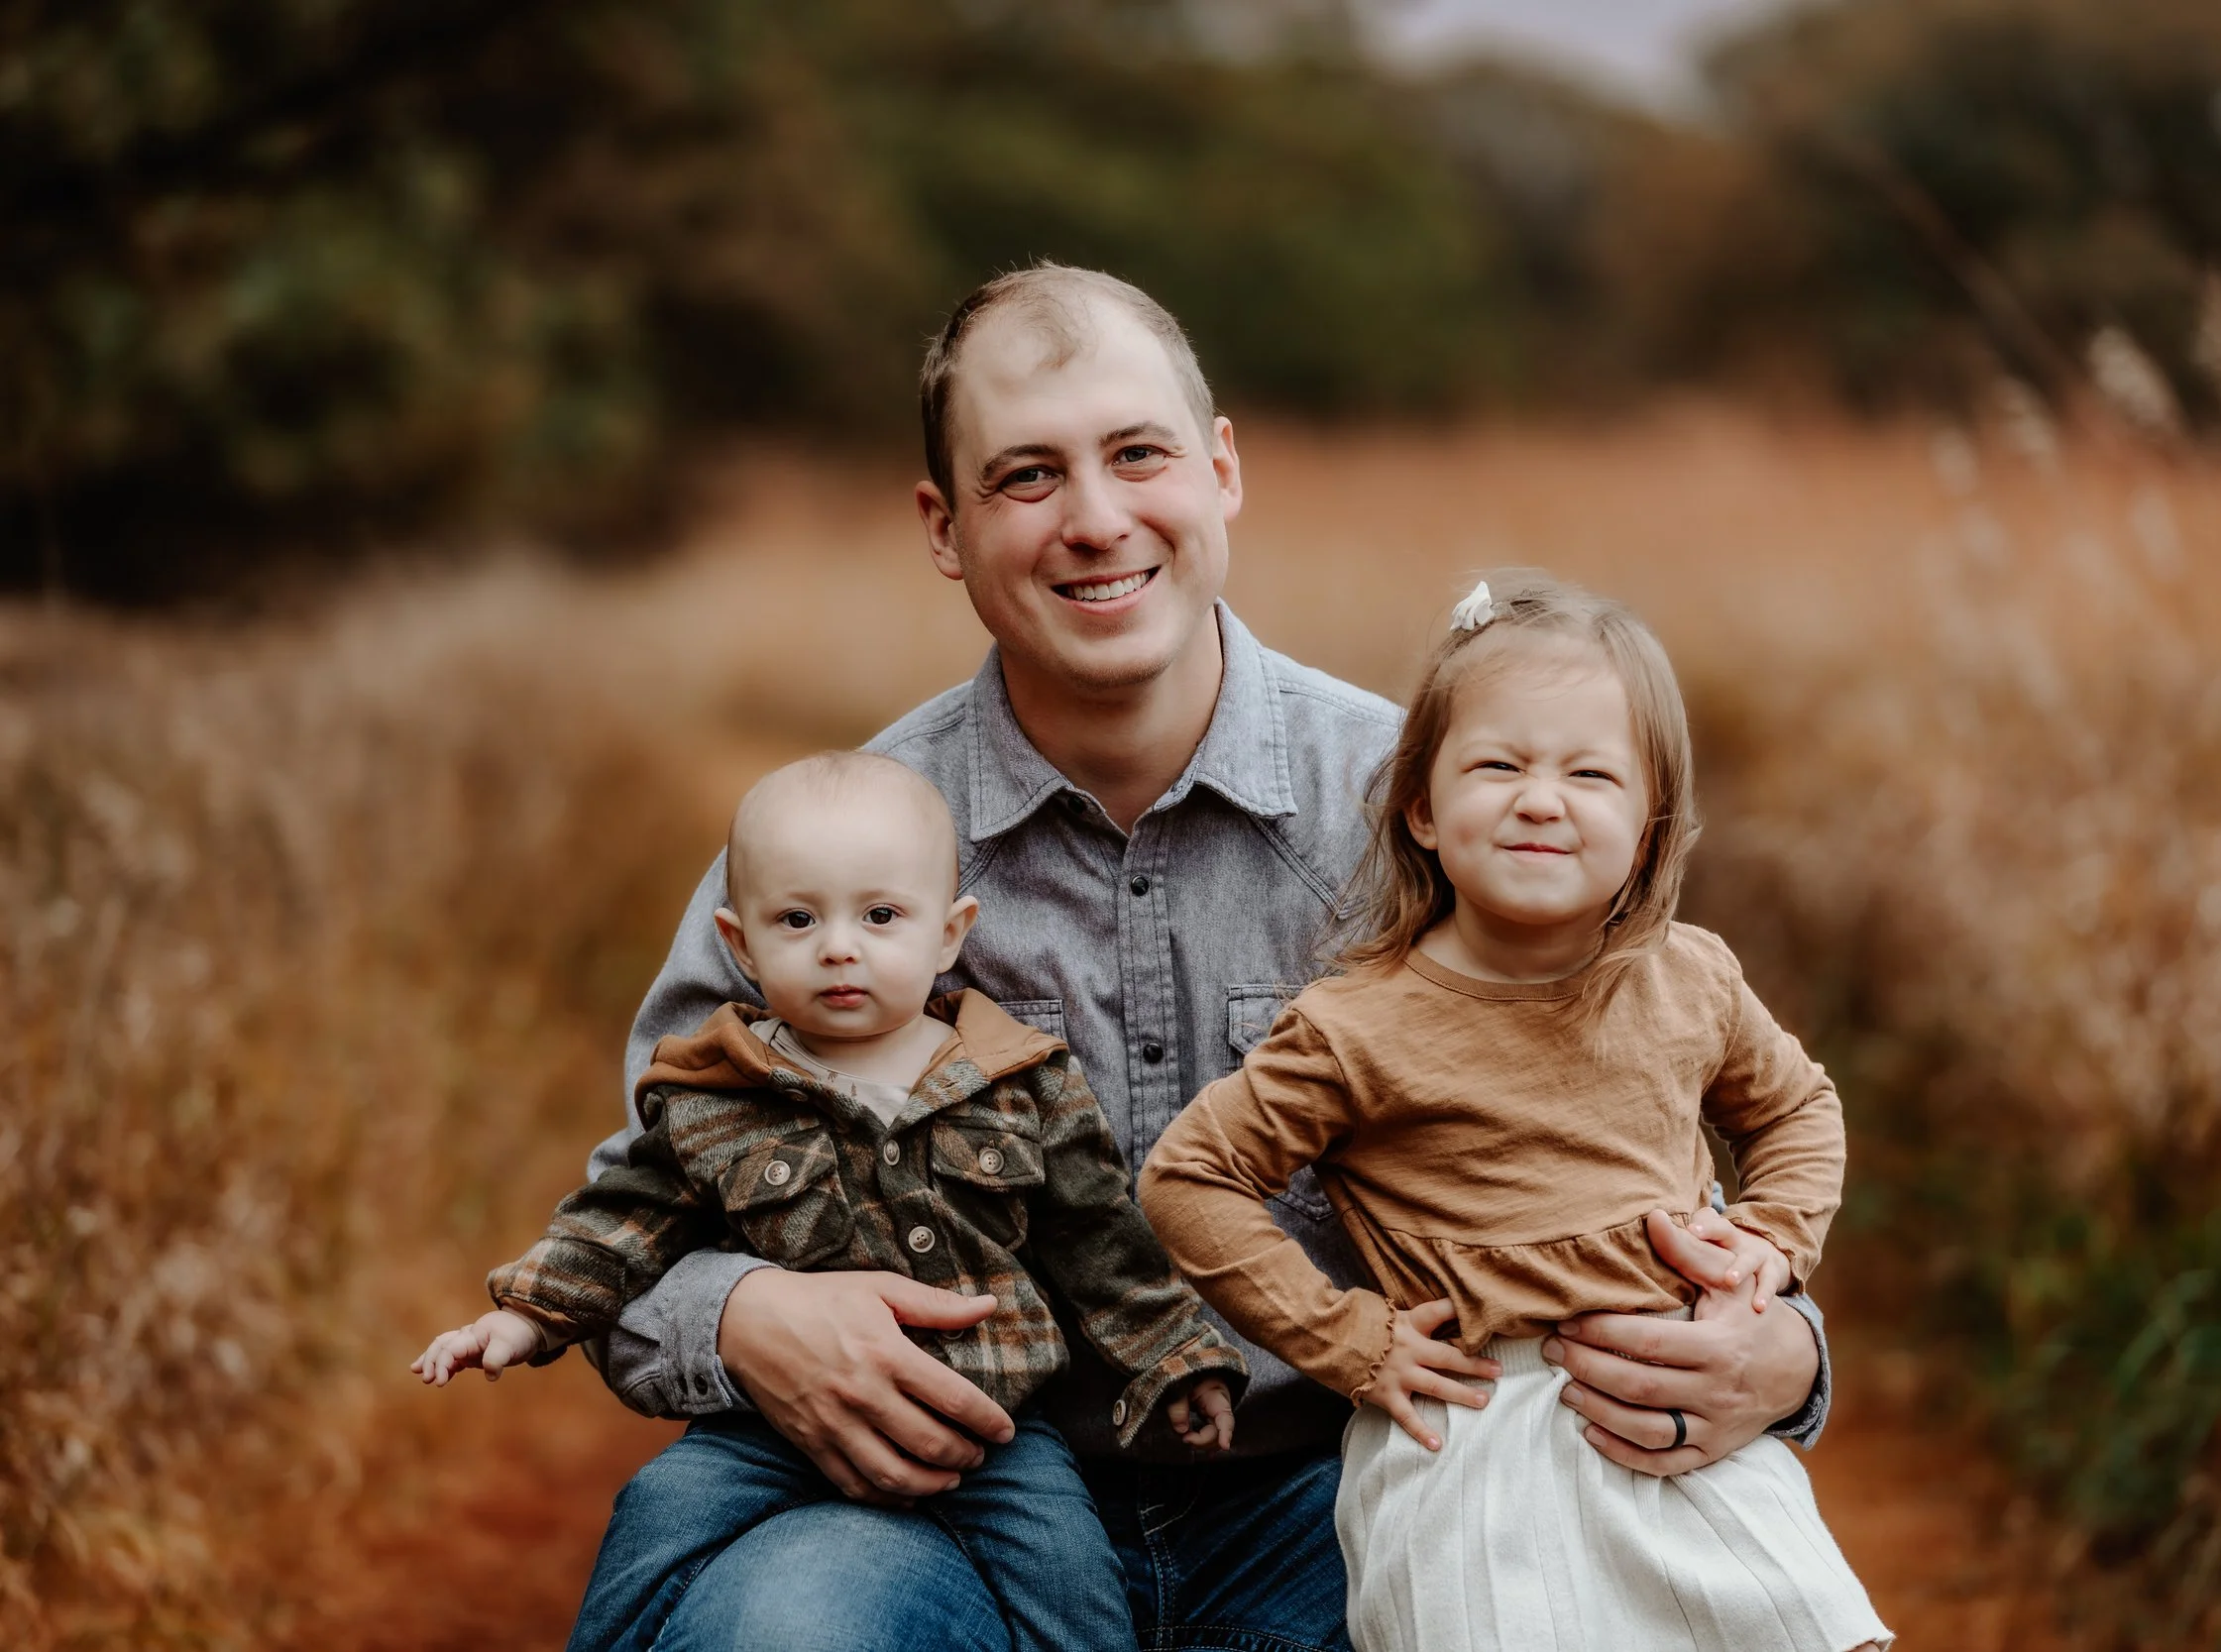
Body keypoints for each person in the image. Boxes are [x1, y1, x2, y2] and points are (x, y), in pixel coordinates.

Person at [588, 263, 1834, 1649]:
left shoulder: (1434, 808)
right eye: (1026, 477)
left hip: (1352, 1481)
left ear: (1222, 467)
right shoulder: (841, 852)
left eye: (1138, 454)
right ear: (943, 526)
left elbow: (1640, 1119)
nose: (1097, 518)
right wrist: (747, 1307)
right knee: (784, 1628)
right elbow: (639, 1216)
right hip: (949, 1496)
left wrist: (1783, 1352)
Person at [1141, 576, 1889, 1652]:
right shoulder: (1359, 1022)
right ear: (1424, 809)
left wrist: (1773, 1238)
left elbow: (1797, 1106)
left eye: (1590, 774)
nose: (1542, 798)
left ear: (1647, 828)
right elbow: (1189, 1179)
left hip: (1678, 1415)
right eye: (1498, 765)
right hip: (1476, 1431)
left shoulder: (1689, 977)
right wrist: (1349, 1339)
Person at [413, 752, 1242, 1652]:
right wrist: (530, 1317)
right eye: (798, 919)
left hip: (993, 1426)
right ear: (739, 944)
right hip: (769, 1429)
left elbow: (1102, 1245)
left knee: (1073, 1588)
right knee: (654, 1516)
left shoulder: (1020, 1083)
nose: (839, 946)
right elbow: (623, 1222)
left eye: (881, 916)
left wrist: (1175, 1358)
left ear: (949, 933)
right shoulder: (717, 1096)